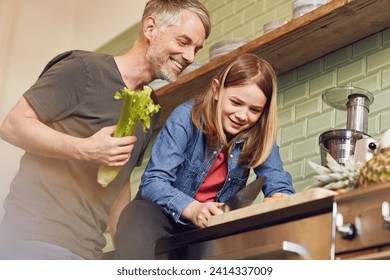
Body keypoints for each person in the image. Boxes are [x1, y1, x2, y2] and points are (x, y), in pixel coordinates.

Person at [0, 0, 211, 260]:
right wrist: (86, 148)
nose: (190, 57)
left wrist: (126, 250)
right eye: (183, 42)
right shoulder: (83, 68)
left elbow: (119, 186)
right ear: (150, 28)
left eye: (196, 49)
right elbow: (13, 125)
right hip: (33, 240)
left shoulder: (149, 106)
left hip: (87, 252)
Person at [114, 53, 295, 260]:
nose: (243, 116)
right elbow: (153, 182)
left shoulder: (259, 135)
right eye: (236, 102)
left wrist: (282, 198)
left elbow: (277, 183)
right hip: (161, 217)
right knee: (135, 214)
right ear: (217, 90)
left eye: (254, 110)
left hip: (209, 229)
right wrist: (192, 209)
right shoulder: (186, 117)